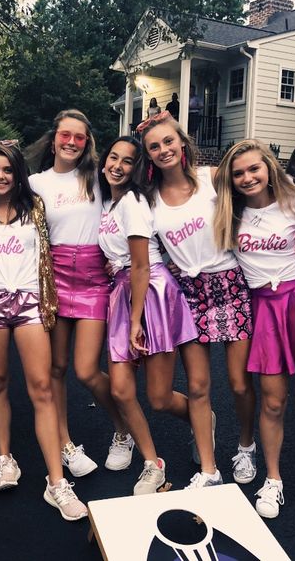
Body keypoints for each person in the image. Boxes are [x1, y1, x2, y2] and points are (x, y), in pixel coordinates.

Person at [213, 140, 295, 521]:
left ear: (269, 167)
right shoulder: (229, 214)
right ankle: (273, 478)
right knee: (273, 401)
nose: (247, 178)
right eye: (238, 173)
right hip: (265, 311)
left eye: (254, 169)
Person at [137, 110, 255, 488]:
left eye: (169, 141)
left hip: (230, 283)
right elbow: (145, 252)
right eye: (154, 146)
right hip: (189, 293)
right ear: (149, 155)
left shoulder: (213, 179)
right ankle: (210, 470)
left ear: (182, 143)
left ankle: (246, 446)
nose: (163, 150)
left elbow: (263, 200)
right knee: (199, 386)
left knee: (238, 382)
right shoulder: (149, 200)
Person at [0, 140, 88, 520]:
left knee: (41, 388)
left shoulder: (35, 207)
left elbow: (78, 223)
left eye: (7, 170)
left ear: (18, 173)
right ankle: (5, 458)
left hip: (29, 304)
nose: (1, 176)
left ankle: (56, 482)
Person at [28, 109, 131, 477]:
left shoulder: (96, 178)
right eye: (65, 135)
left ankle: (124, 430)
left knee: (87, 370)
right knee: (55, 368)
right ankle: (65, 443)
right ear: (53, 138)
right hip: (54, 278)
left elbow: (126, 210)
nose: (71, 142)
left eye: (80, 137)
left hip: (92, 279)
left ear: (87, 143)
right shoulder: (36, 183)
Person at [97, 136, 198, 496]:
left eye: (127, 161)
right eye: (113, 157)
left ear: (138, 167)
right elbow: (122, 260)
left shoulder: (135, 201)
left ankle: (203, 420)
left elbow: (141, 263)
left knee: (158, 397)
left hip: (150, 292)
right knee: (121, 389)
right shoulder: (109, 204)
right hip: (124, 291)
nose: (118, 166)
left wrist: (136, 319)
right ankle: (152, 464)